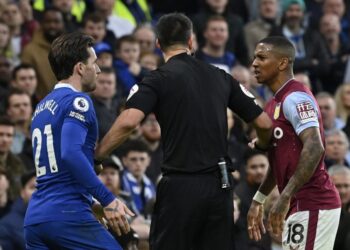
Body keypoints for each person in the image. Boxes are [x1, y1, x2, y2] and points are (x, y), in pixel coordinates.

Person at [96, 13, 272, 250]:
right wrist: (261, 144)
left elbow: (128, 122)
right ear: (191, 41)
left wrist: (97, 156)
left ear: (158, 44)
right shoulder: (221, 76)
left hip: (180, 187)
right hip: (219, 188)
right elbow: (263, 122)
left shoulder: (156, 79)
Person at [24, 32, 134, 249]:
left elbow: (58, 173)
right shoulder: (78, 101)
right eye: (94, 63)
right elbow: (70, 153)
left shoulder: (41, 108)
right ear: (80, 68)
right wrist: (108, 200)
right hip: (67, 215)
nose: (99, 70)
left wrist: (91, 202)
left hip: (35, 219)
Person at [247, 36, 341, 250]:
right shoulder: (273, 104)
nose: (254, 63)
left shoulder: (296, 98)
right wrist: (259, 198)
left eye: (262, 57)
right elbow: (281, 162)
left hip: (314, 202)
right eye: (254, 58)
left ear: (282, 63)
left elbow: (315, 146)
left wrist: (285, 195)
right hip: (301, 203)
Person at [0, 171, 36, 250]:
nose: (38, 191)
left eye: (43, 187)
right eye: (33, 187)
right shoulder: (7, 225)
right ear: (22, 193)